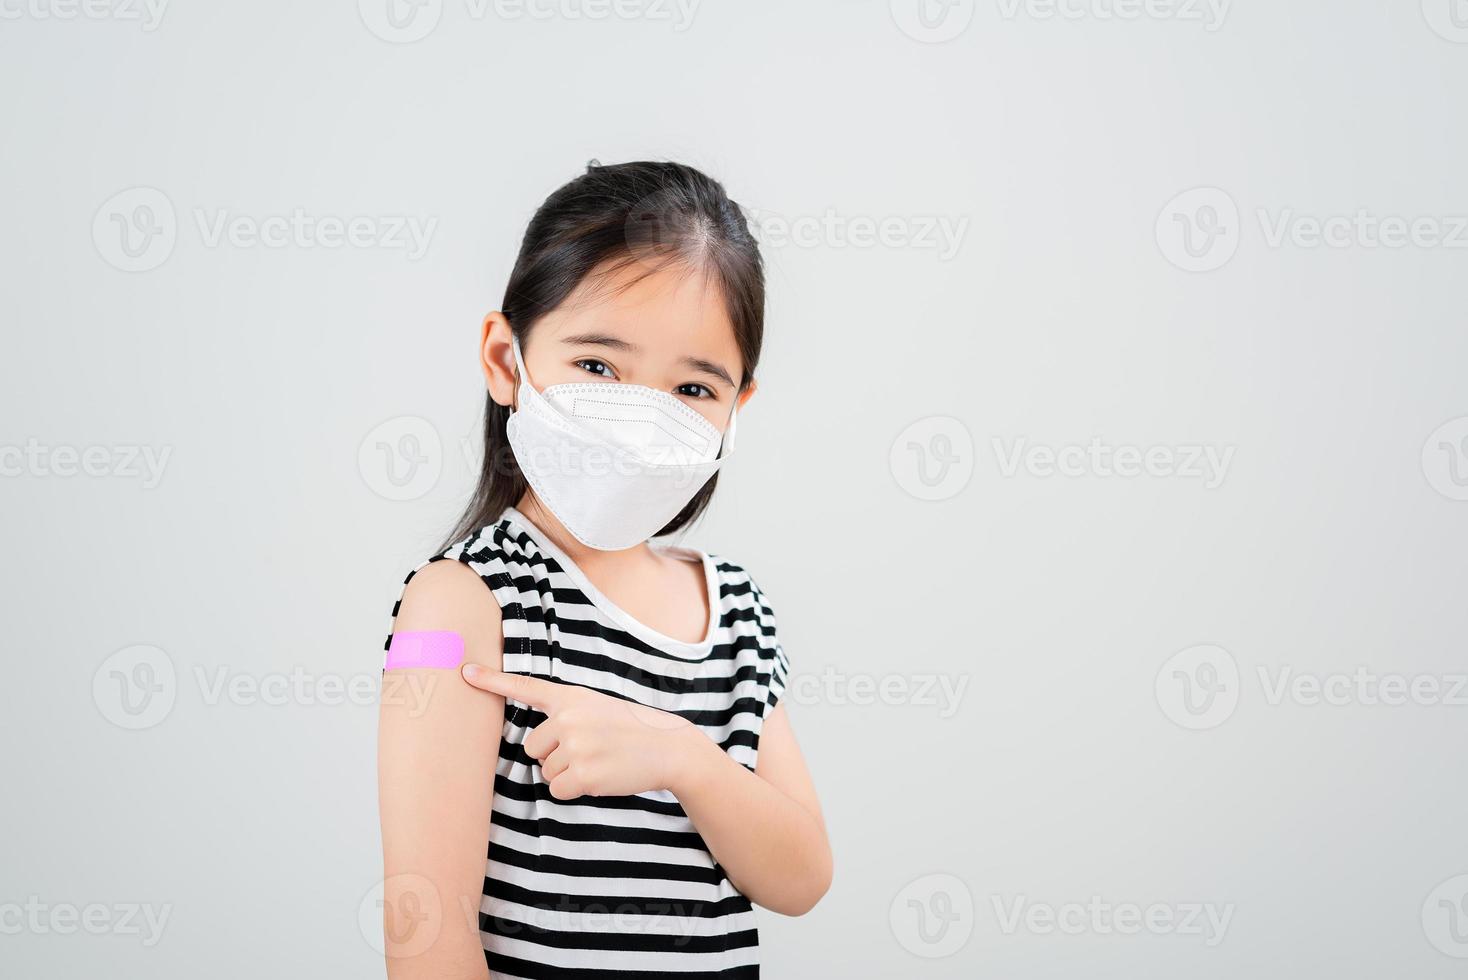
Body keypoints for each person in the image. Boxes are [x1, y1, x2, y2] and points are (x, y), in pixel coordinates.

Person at [378, 160, 832, 979]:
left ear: (738, 411)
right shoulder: (453, 608)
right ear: (504, 359)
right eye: (598, 366)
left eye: (693, 386)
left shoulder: (736, 612)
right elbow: (425, 932)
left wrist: (680, 755)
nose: (641, 416)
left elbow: (802, 876)